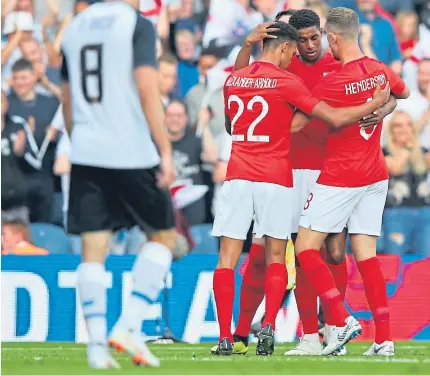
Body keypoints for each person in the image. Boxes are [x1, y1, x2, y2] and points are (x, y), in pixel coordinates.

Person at [211, 20, 390, 356]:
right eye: (293, 48)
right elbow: (332, 118)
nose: (295, 54)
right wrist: (376, 104)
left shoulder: (233, 79)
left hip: (238, 174)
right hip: (278, 176)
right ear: (283, 46)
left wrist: (245, 47)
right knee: (278, 256)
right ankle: (268, 328)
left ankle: (226, 336)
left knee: (228, 260)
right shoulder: (287, 80)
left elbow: (230, 121)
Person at [61, 0, 176, 369]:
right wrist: (165, 150)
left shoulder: (75, 27)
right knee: (164, 236)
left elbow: (67, 100)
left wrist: (81, 140)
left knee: (93, 250)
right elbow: (146, 88)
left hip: (87, 149)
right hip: (131, 149)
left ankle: (96, 347)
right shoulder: (135, 23)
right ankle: (128, 325)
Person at [291, 7, 410, 356]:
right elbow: (401, 95)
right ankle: (384, 340)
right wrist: (383, 106)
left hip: (342, 175)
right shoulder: (380, 71)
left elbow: (298, 123)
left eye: (326, 37)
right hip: (376, 174)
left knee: (305, 248)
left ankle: (341, 320)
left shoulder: (333, 82)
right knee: (367, 256)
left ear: (334, 38)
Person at [7, 58, 60, 223]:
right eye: (15, 78)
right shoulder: (7, 103)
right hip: (15, 178)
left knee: (44, 226)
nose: (19, 83)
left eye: (23, 78)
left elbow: (68, 101)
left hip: (43, 177)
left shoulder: (50, 103)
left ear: (33, 78)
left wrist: (55, 134)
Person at [382, 111, 430, 255]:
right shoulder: (383, 153)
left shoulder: (423, 152)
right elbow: (396, 168)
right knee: (395, 261)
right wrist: (409, 146)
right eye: (398, 125)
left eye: (408, 125)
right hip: (396, 215)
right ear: (391, 131)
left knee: (425, 264)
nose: (404, 129)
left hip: (425, 214)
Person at [166, 99, 217, 225]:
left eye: (179, 115)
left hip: (193, 210)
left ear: (186, 118)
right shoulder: (155, 142)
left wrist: (203, 124)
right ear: (164, 118)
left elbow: (213, 157)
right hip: (166, 205)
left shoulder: (194, 140)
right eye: (170, 115)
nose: (174, 119)